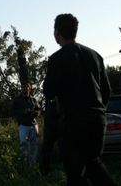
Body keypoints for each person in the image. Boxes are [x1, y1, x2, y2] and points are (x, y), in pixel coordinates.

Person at [43, 13, 116, 186]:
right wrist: (98, 110)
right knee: (93, 163)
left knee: (75, 172)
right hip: (98, 120)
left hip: (74, 122)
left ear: (57, 32)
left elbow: (49, 92)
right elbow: (106, 90)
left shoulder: (56, 59)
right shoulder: (95, 55)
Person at [11, 82, 40, 165]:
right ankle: (24, 165)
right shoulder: (17, 100)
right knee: (24, 146)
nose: (25, 89)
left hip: (34, 125)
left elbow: (39, 110)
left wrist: (34, 113)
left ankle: (32, 165)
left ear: (29, 89)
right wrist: (23, 112)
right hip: (23, 126)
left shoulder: (34, 99)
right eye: (24, 87)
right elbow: (12, 111)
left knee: (34, 145)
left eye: (27, 87)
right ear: (21, 88)